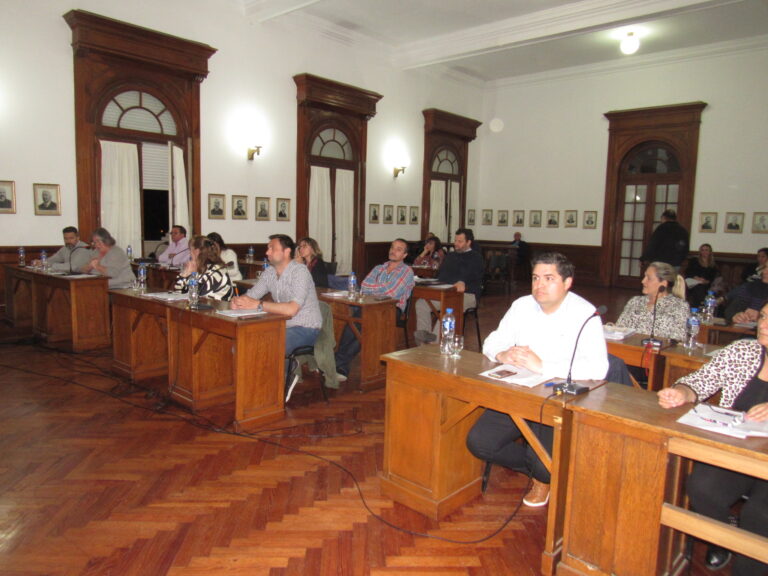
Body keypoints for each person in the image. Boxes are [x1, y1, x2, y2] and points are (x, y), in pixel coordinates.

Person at [466, 252, 608, 507]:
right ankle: (540, 468)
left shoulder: (585, 313)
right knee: (479, 443)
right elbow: (492, 341)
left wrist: (544, 366)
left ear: (567, 283)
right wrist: (502, 353)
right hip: (517, 389)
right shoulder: (522, 305)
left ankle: (544, 474)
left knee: (543, 465)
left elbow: (598, 368)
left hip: (553, 397)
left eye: (548, 278)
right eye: (535, 278)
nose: (539, 285)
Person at [657, 302, 768, 575]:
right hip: (737, 447)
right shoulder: (744, 351)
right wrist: (682, 392)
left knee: (759, 515)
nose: (763, 325)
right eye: (764, 317)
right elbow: (701, 380)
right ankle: (722, 540)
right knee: (702, 487)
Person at [231, 234, 322, 400]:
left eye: (272, 248)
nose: (267, 252)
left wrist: (258, 305)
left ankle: (279, 384)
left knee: (267, 343)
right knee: (246, 340)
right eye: (268, 248)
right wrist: (239, 301)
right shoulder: (270, 272)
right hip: (281, 324)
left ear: (287, 251)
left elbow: (292, 310)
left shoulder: (300, 272)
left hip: (305, 327)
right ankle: (255, 385)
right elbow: (252, 295)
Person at [334, 239, 415, 381]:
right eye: (392, 247)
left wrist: (375, 289)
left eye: (398, 249)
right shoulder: (379, 268)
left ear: (404, 255)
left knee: (365, 326)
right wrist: (380, 288)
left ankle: (340, 365)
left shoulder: (407, 271)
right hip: (370, 306)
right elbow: (364, 286)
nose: (393, 251)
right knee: (352, 323)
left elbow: (391, 292)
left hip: (391, 310)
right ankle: (337, 363)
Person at [414, 228, 484, 344]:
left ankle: (434, 342)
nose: (456, 244)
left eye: (460, 241)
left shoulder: (476, 258)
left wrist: (463, 283)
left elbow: (473, 280)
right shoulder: (451, 256)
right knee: (421, 303)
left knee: (448, 307)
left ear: (468, 242)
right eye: (455, 240)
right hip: (446, 292)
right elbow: (442, 276)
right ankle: (423, 340)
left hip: (467, 294)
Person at [616, 262, 689, 342]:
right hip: (628, 348)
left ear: (663, 284)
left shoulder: (678, 306)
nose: (643, 281)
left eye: (649, 278)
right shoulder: (635, 301)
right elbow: (619, 329)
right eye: (644, 276)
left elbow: (678, 339)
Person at [174, 235, 233, 300]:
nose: (190, 254)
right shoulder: (201, 267)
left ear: (196, 252)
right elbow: (178, 293)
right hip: (202, 306)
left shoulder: (216, 270)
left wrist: (192, 275)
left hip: (217, 308)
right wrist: (184, 275)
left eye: (190, 250)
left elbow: (195, 293)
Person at [684, 243, 719, 307]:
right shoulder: (694, 260)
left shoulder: (713, 265)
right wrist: (696, 277)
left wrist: (705, 281)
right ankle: (698, 306)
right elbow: (688, 272)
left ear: (710, 252)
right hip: (693, 282)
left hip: (705, 284)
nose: (704, 252)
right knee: (698, 288)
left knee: (701, 288)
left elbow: (712, 277)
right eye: (702, 250)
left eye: (706, 250)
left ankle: (700, 307)